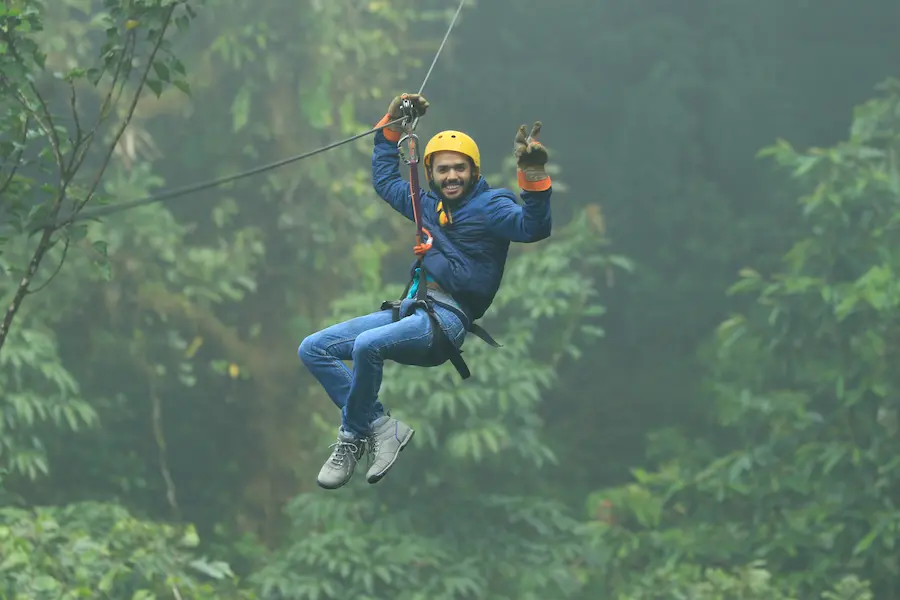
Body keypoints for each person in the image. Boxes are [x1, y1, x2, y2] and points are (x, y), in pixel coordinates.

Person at [298, 92, 554, 490]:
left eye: (459, 169)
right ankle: (381, 426)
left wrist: (534, 177)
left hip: (447, 319)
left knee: (367, 345)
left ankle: (351, 436)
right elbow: (385, 181)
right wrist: (392, 121)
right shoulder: (425, 205)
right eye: (443, 169)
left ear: (473, 171)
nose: (451, 176)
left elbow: (532, 227)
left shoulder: (491, 207)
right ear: (431, 173)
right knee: (314, 348)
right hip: (414, 309)